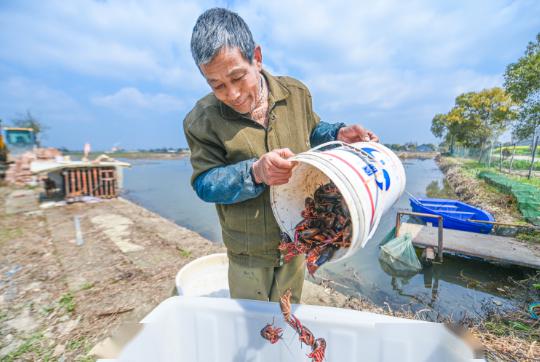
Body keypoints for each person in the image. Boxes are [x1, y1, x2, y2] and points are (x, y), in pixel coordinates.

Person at [184, 8, 378, 304]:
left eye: (238, 77)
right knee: (253, 328)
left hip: (297, 237)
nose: (233, 93)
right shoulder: (201, 121)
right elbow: (205, 184)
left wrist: (336, 134)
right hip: (249, 251)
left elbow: (312, 129)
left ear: (257, 58)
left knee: (288, 319)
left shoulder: (296, 93)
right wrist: (254, 173)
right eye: (217, 85)